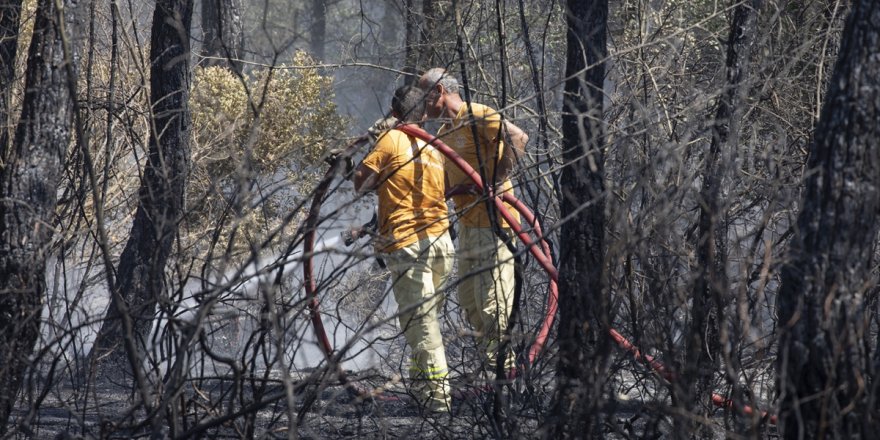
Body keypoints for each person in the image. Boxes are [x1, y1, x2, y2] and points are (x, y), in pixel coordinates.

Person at [349, 85, 455, 413]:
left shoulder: (391, 140)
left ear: (395, 114)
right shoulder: (433, 148)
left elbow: (361, 181)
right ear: (423, 115)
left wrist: (354, 160)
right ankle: (422, 392)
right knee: (423, 322)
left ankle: (438, 405)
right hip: (442, 246)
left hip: (411, 248)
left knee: (422, 328)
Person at [417, 68, 528, 375]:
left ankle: (504, 376)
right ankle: (496, 368)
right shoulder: (443, 134)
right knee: (470, 302)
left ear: (439, 92)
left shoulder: (477, 114)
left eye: (424, 95)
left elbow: (518, 137)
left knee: (493, 305)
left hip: (496, 225)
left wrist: (496, 181)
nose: (421, 104)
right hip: (468, 227)